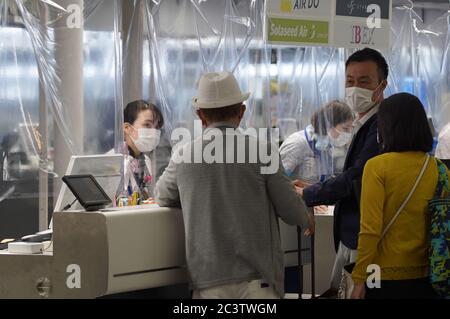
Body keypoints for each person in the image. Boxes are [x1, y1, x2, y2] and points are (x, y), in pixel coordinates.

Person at [155, 71, 313, 299]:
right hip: (257, 283)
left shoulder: (183, 154)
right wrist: (306, 217)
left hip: (208, 281)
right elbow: (290, 210)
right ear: (241, 112)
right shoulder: (263, 151)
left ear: (201, 116)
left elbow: (162, 196)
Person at [295, 48, 388, 292]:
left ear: (382, 85)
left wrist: (309, 194)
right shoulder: (363, 122)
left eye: (364, 81)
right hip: (350, 233)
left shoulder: (380, 126)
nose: (355, 88)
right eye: (350, 81)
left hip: (363, 236)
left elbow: (356, 178)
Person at [351, 93, 448, 299]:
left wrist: (359, 277)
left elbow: (370, 229)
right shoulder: (439, 169)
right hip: (428, 275)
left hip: (381, 275)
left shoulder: (377, 167)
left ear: (386, 127)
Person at [280, 100, 354, 185]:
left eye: (351, 129)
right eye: (345, 128)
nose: (349, 133)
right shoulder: (297, 144)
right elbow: (278, 182)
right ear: (329, 124)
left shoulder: (326, 146)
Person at [111, 100, 164, 200]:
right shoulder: (112, 160)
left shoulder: (145, 161)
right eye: (147, 125)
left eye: (156, 127)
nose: (154, 131)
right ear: (127, 128)